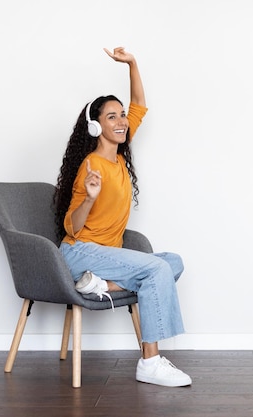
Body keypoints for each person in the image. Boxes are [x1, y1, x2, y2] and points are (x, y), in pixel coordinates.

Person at [53, 46, 191, 387]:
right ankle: (150, 361)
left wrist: (132, 63)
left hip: (106, 260)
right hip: (79, 251)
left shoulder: (119, 156)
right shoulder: (91, 166)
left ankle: (103, 287)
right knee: (156, 269)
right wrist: (90, 197)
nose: (121, 121)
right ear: (96, 127)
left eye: (121, 116)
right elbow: (71, 226)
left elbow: (139, 105)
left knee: (172, 261)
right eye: (111, 116)